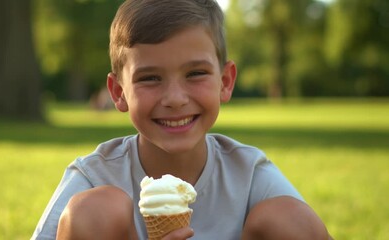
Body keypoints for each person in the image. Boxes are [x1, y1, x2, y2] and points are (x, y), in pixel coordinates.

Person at [32, 0, 332, 239]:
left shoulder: (249, 174)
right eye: (150, 78)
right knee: (94, 210)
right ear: (119, 92)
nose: (175, 98)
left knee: (289, 218)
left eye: (195, 74)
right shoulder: (94, 176)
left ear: (225, 81)